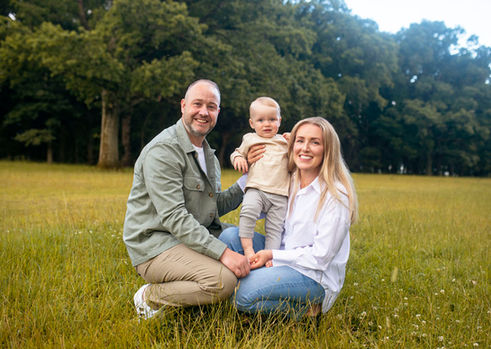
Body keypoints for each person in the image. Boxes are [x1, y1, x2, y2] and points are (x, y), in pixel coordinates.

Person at [123, 79, 250, 320]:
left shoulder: (208, 153)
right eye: (197, 104)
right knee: (223, 281)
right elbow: (174, 217)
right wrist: (223, 253)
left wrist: (248, 180)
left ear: (218, 112)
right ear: (183, 106)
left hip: (188, 238)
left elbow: (211, 208)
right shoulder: (163, 151)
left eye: (211, 107)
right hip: (156, 245)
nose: (204, 112)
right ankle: (150, 296)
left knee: (247, 243)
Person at [219, 116, 358, 318]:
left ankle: (310, 309)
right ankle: (256, 280)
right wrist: (254, 165)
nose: (305, 148)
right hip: (279, 255)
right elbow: (257, 211)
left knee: (242, 295)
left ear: (328, 150)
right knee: (230, 238)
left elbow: (320, 258)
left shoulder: (335, 196)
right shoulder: (288, 179)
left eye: (315, 142)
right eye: (300, 141)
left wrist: (272, 256)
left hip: (311, 274)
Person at [230, 97, 289, 264]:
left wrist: (294, 140)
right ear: (252, 123)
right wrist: (238, 159)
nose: (267, 124)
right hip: (256, 189)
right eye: (261, 120)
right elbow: (236, 153)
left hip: (280, 194)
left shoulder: (284, 141)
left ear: (279, 120)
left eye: (272, 119)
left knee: (275, 229)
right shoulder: (250, 139)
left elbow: (296, 157)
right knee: (247, 213)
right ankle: (248, 249)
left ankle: (270, 256)